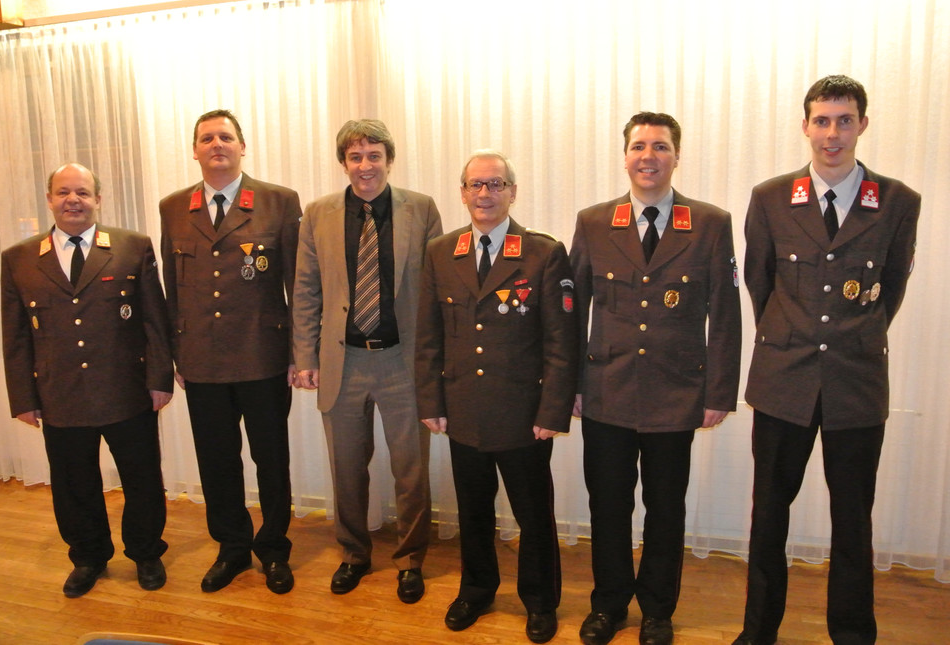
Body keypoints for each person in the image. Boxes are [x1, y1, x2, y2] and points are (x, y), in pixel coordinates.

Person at [733, 75, 921, 645]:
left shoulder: (897, 201)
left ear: (862, 124)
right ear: (806, 125)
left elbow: (889, 290)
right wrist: (794, 336)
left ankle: (854, 633)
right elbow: (761, 284)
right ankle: (758, 631)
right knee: (769, 514)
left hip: (856, 381)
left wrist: (849, 337)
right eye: (822, 120)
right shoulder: (771, 197)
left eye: (844, 121)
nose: (832, 134)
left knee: (853, 520)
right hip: (782, 380)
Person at [570, 112, 742, 645]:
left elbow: (726, 314)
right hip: (607, 391)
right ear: (625, 156)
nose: (649, 156)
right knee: (608, 506)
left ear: (676, 156)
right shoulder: (594, 222)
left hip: (675, 393)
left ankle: (657, 611)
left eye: (660, 147)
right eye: (639, 146)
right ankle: (608, 605)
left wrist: (719, 392)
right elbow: (573, 311)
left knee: (666, 509)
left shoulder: (710, 223)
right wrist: (571, 385)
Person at [416, 149, 577, 644]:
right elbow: (428, 335)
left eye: (495, 184)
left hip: (523, 413)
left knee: (533, 514)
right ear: (463, 193)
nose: (484, 194)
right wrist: (431, 402)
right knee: (472, 511)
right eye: (475, 185)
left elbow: (561, 341)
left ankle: (540, 600)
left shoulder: (542, 253)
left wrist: (552, 410)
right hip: (464, 407)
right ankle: (477, 590)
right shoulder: (441, 252)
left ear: (512, 192)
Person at [1, 162, 173, 598]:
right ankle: (88, 557)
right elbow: (16, 336)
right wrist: (23, 397)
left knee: (142, 478)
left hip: (126, 390)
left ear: (98, 199)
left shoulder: (132, 247)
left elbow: (154, 321)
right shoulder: (19, 258)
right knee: (73, 483)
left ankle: (146, 552)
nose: (72, 200)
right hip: (59, 394)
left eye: (82, 192)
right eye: (63, 193)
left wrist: (160, 379)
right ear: (49, 199)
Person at [292, 119, 441, 603]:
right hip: (344, 362)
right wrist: (305, 355)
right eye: (355, 157)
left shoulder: (421, 209)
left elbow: (437, 291)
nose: (365, 166)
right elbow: (306, 290)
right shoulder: (318, 214)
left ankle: (410, 560)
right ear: (344, 163)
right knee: (347, 468)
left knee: (410, 470)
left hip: (402, 361)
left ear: (388, 160)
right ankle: (354, 554)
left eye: (374, 156)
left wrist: (436, 360)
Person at [159, 109, 302, 594]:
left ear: (242, 146)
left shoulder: (278, 202)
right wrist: (177, 352)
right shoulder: (174, 207)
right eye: (207, 139)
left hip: (263, 356)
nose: (216, 144)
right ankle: (232, 548)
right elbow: (171, 287)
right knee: (217, 461)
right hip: (202, 359)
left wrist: (298, 352)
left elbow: (296, 283)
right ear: (194, 151)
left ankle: (274, 548)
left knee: (271, 459)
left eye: (225, 136)